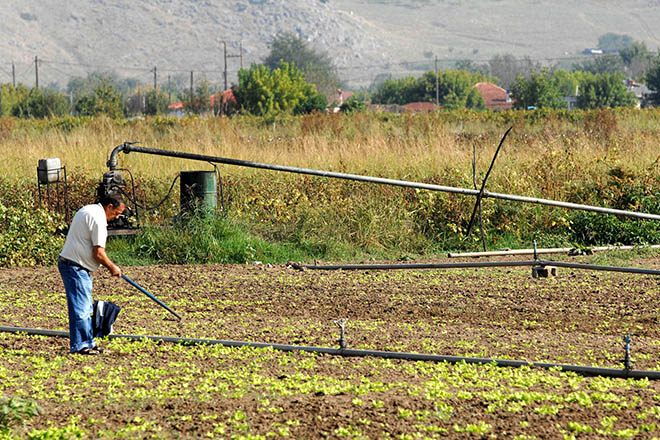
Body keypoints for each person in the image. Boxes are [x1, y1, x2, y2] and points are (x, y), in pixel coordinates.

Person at [58, 195, 125, 355]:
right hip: (75, 266)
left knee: (86, 306)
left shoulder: (88, 210)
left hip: (74, 265)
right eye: (116, 213)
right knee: (81, 308)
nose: (116, 218)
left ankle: (88, 342)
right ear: (109, 206)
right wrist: (112, 267)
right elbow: (98, 253)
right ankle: (81, 345)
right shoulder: (99, 219)